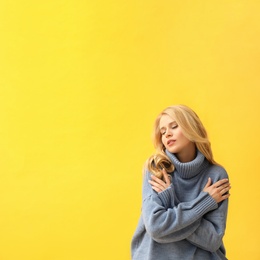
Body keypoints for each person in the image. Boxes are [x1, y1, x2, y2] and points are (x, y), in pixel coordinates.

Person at [131, 104, 231, 260]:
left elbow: (213, 240)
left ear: (192, 127)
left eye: (174, 126)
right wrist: (205, 202)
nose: (167, 134)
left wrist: (170, 204)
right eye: (163, 132)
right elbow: (156, 227)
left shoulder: (216, 175)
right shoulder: (157, 169)